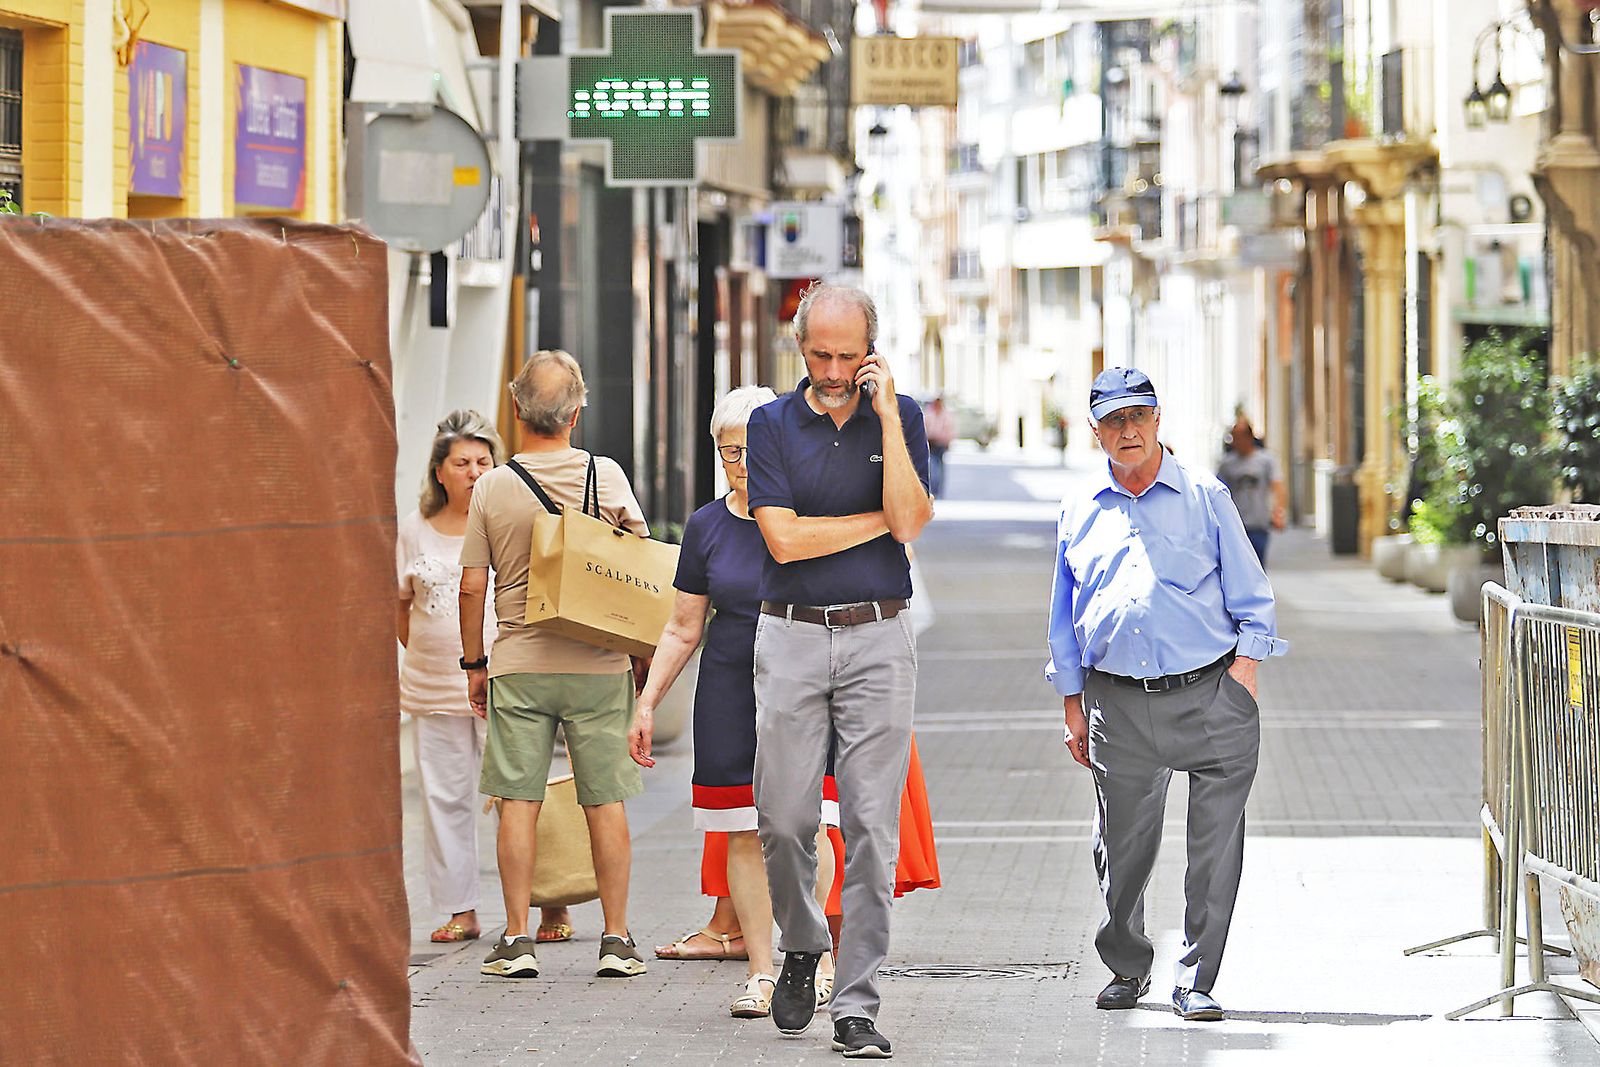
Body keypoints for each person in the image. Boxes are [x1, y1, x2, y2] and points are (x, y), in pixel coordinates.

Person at [1046, 367, 1287, 1023]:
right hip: (1115, 704)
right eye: (1114, 420)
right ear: (1095, 429)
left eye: (1139, 416)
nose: (1128, 430)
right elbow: (1064, 616)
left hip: (1210, 694)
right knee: (1121, 846)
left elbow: (1253, 595)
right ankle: (1127, 963)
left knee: (1214, 847)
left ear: (1158, 421)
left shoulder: (1206, 496)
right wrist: (1072, 700)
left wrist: (1245, 669)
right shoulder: (1078, 508)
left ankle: (1196, 978)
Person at [745, 282, 933, 1057]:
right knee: (785, 818)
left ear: (870, 353)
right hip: (789, 634)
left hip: (878, 638)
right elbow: (782, 542)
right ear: (801, 347)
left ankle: (856, 1002)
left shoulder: (904, 417)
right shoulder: (769, 423)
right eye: (819, 353)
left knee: (870, 830)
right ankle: (800, 938)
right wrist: (874, 525)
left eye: (846, 355)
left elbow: (914, 519)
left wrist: (886, 415)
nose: (830, 368)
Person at [628, 386, 837, 1018]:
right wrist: (646, 703)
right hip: (727, 690)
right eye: (727, 452)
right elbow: (683, 626)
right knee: (740, 829)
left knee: (805, 824)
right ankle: (761, 972)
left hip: (801, 688)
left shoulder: (810, 514)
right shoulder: (707, 525)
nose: (738, 464)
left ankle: (818, 959)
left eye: (748, 450)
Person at [459, 349, 650, 981]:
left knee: (518, 798)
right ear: (577, 411)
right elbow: (639, 570)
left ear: (516, 410)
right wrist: (643, 660)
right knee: (606, 800)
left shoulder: (491, 486)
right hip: (597, 662)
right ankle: (617, 939)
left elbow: (470, 586)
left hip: (518, 660)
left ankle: (517, 939)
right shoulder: (608, 476)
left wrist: (474, 663)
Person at [398, 411, 503, 944]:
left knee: (516, 794)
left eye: (484, 461)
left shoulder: (506, 521)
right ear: (440, 471)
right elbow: (399, 607)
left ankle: (543, 905)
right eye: (462, 463)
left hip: (502, 683)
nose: (474, 471)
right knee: (443, 798)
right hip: (433, 687)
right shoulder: (413, 529)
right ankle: (460, 910)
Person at [1216, 414, 1286, 566]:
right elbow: (1218, 492)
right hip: (1235, 526)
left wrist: (1278, 512)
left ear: (1248, 437)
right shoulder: (1227, 464)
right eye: (1232, 437)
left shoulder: (1266, 460)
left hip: (1258, 525)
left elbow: (1277, 486)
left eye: (1237, 437)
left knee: (1258, 568)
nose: (1234, 442)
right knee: (1237, 569)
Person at [923, 395, 956, 498]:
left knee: (940, 468)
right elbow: (924, 428)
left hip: (941, 444)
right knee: (933, 468)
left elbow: (950, 430)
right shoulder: (929, 414)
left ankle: (938, 490)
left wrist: (947, 441)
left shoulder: (946, 416)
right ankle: (934, 489)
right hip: (931, 443)